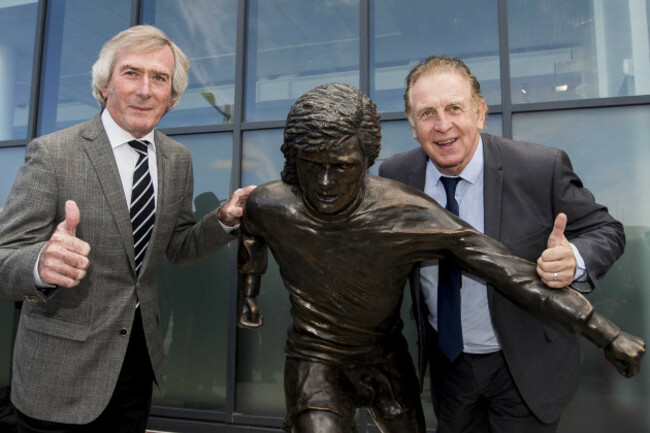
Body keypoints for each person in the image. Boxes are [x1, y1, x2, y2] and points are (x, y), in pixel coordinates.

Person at [236, 82, 644, 433]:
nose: (326, 183)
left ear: (366, 163)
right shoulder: (270, 204)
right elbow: (252, 237)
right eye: (312, 167)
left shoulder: (406, 211)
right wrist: (249, 291)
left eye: (342, 167)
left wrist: (605, 333)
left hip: (388, 357)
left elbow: (508, 271)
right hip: (314, 355)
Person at [0, 25, 254, 433]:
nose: (145, 89)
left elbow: (179, 247)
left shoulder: (177, 159)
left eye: (159, 78)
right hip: (58, 376)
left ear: (171, 98)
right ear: (105, 86)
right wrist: (39, 265)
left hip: (135, 365)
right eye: (132, 73)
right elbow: (3, 258)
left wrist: (224, 220)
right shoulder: (53, 153)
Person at [378, 55, 632, 432]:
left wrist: (574, 258)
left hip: (525, 364)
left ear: (480, 113)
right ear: (413, 127)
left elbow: (606, 229)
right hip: (449, 368)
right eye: (427, 113)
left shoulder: (539, 168)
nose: (442, 124)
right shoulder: (396, 177)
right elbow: (342, 206)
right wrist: (267, 200)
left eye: (454, 108)